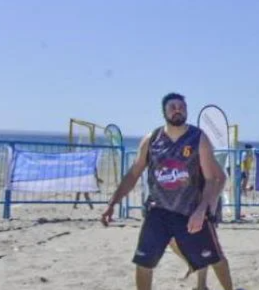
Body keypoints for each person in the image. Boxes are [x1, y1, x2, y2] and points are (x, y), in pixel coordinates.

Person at [100, 93, 239, 290]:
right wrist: (112, 203)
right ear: (164, 112)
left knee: (215, 257)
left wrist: (203, 209)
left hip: (190, 211)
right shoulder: (152, 139)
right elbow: (133, 174)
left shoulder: (198, 138)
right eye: (172, 106)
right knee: (143, 263)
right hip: (158, 211)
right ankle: (197, 277)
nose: (177, 110)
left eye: (181, 106)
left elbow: (213, 178)